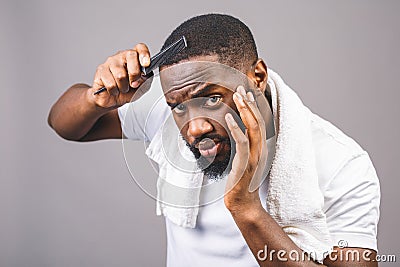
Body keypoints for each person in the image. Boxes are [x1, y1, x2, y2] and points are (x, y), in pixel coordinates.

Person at [48, 14, 380, 266]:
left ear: (257, 77)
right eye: (178, 106)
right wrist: (97, 97)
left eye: (212, 100)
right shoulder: (171, 108)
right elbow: (66, 125)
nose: (193, 129)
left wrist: (246, 209)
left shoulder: (341, 165)